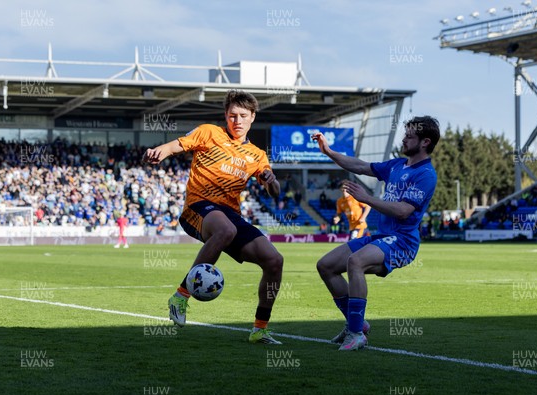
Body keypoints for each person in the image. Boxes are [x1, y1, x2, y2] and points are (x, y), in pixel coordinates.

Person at [143, 90, 284, 344]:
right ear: (225, 116)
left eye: (242, 116)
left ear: (252, 117)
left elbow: (274, 191)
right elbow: (176, 145)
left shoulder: (257, 155)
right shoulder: (209, 132)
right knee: (225, 230)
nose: (237, 121)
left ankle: (260, 329)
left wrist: (271, 181)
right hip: (198, 207)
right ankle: (180, 296)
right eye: (232, 115)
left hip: (230, 214)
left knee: (274, 260)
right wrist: (160, 151)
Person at [311, 116, 440, 351]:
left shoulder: (426, 175)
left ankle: (356, 332)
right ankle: (356, 322)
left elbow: (403, 211)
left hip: (403, 242)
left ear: (425, 142)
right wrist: (329, 151)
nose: (404, 138)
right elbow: (359, 166)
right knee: (326, 265)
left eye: (409, 136)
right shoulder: (397, 165)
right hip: (383, 237)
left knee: (355, 262)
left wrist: (367, 198)